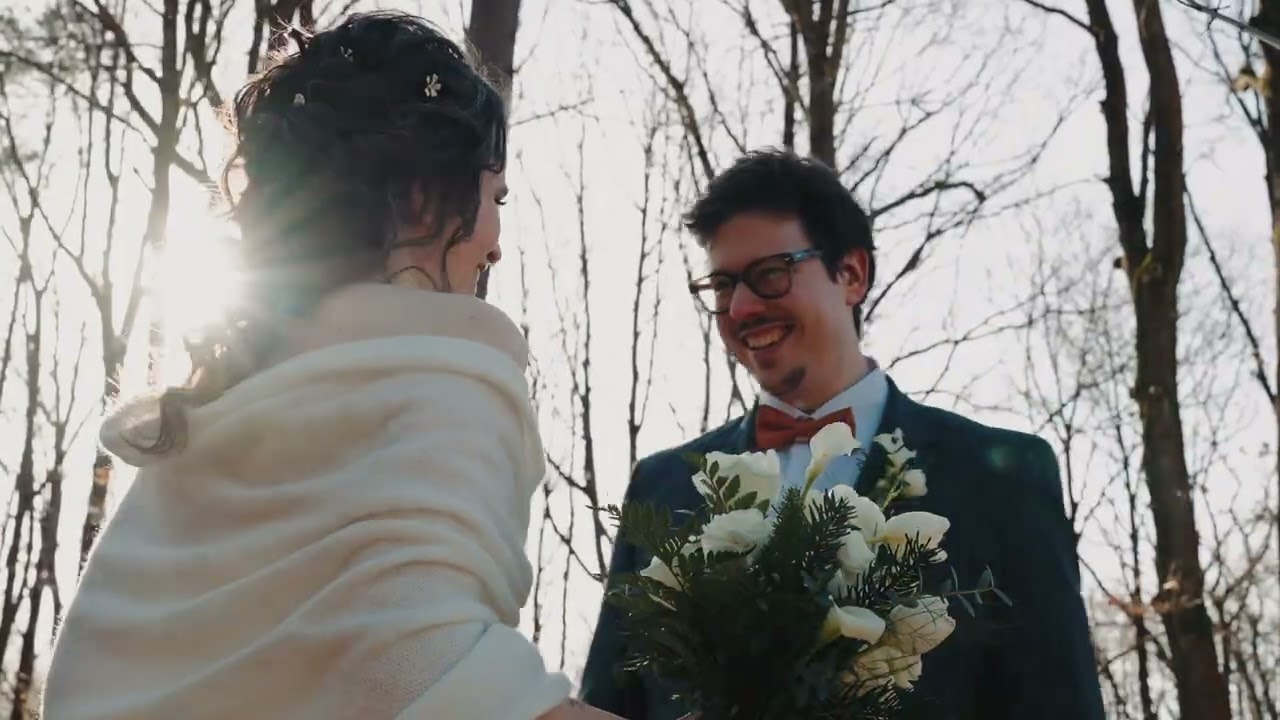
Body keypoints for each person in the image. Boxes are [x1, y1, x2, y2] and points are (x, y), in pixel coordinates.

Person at [42, 13, 620, 720]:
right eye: (494, 197)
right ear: (418, 196)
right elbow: (421, 674)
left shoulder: (218, 406)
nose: (495, 244)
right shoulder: (446, 379)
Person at [579, 150, 1106, 720]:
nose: (742, 306)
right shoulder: (664, 486)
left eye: (770, 275)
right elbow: (614, 701)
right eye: (723, 285)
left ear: (851, 274)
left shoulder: (1001, 478)